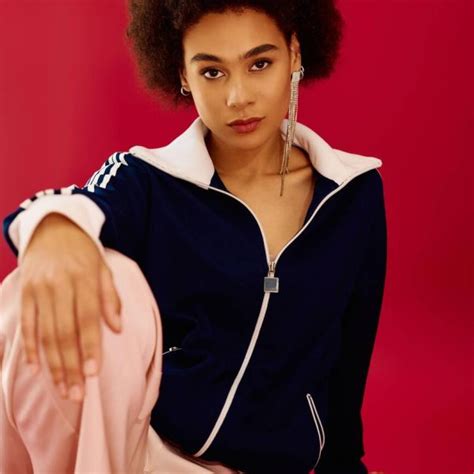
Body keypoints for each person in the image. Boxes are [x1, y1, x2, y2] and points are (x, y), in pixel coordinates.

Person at [0, 1, 388, 473]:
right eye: (212, 72)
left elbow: (350, 357)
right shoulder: (147, 179)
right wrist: (54, 230)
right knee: (91, 270)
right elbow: (77, 203)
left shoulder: (351, 193)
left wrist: (344, 464)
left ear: (295, 53)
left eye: (259, 64)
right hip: (144, 455)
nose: (238, 97)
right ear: (183, 74)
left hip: (270, 466)